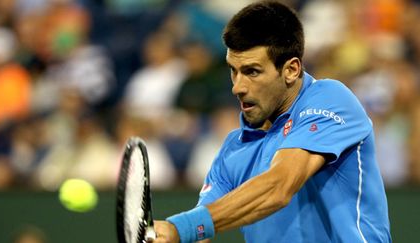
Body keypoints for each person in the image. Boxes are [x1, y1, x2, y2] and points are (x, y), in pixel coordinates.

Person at [153, 1, 392, 242]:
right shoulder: (231, 150)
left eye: (252, 71)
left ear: (291, 70)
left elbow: (279, 186)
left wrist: (180, 228)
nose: (237, 87)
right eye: (233, 70)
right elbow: (200, 230)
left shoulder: (331, 99)